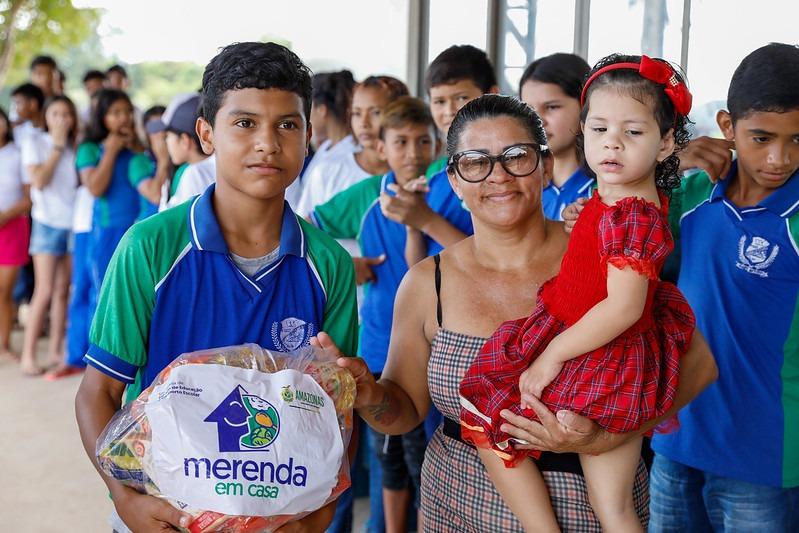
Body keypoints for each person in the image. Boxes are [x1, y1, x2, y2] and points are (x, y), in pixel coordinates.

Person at [318, 93, 717, 532]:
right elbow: (404, 413)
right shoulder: (425, 283)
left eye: (517, 157)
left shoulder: (601, 257)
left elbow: (700, 367)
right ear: (452, 180)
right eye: (476, 161)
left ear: (545, 167)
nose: (499, 176)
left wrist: (610, 436)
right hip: (456, 509)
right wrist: (370, 395)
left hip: (593, 513)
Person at [75, 41, 358, 533]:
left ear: (308, 136)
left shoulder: (328, 263)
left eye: (287, 125)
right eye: (244, 123)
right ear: (206, 134)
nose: (267, 142)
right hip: (167, 512)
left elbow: (336, 407)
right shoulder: (150, 248)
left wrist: (320, 513)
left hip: (279, 516)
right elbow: (98, 391)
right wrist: (126, 501)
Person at [459, 57, 696, 532]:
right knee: (613, 508)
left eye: (633, 132)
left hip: (599, 354)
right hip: (601, 346)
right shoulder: (614, 199)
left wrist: (550, 356)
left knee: (484, 412)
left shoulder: (632, 213)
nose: (612, 142)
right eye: (600, 128)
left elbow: (625, 305)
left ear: (666, 142)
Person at [645, 42, 799, 532]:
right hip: (675, 434)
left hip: (765, 457)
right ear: (728, 127)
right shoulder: (689, 194)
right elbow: (609, 230)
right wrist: (666, 166)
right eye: (762, 137)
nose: (780, 157)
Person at [312, 96, 472, 532]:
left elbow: (476, 259)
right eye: (400, 142)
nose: (413, 152)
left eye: (423, 141)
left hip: (442, 350)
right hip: (380, 347)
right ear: (381, 148)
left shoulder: (454, 191)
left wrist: (419, 220)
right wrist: (347, 264)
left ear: (437, 145)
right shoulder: (367, 195)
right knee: (388, 458)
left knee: (429, 457)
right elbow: (307, 225)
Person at [77, 88, 152, 328]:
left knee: (134, 296)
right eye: (115, 112)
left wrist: (134, 147)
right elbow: (95, 188)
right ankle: (95, 356)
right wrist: (110, 151)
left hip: (138, 230)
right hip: (107, 231)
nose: (124, 118)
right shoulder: (90, 148)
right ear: (102, 117)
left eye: (127, 112)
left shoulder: (137, 149)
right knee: (102, 293)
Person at [18, 95, 80, 376]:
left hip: (71, 223)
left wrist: (63, 144)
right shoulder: (37, 142)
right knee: (42, 291)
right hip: (46, 223)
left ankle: (56, 350)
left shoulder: (72, 146)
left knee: (61, 292)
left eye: (66, 114)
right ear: (46, 116)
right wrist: (56, 144)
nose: (62, 119)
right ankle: (28, 356)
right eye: (55, 113)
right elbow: (39, 182)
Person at [296, 75, 408, 218]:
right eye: (357, 113)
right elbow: (303, 229)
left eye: (375, 112)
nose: (363, 123)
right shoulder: (328, 171)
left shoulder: (412, 174)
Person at [519, 53, 594, 221]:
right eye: (528, 109)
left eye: (552, 107)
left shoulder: (608, 189)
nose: (537, 121)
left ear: (586, 106)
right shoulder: (521, 189)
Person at [286, 70, 356, 210]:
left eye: (309, 110)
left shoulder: (346, 159)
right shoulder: (326, 148)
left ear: (321, 110)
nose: (307, 116)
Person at [425, 44, 498, 175]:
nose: (449, 111)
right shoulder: (435, 173)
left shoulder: (513, 162)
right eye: (439, 101)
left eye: (461, 98)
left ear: (492, 95)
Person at [0, 107, 31, 360]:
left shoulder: (17, 154)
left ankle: (4, 344)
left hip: (12, 228)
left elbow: (28, 199)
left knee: (5, 290)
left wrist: (5, 216)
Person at [146, 94, 207, 211]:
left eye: (167, 136)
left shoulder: (193, 174)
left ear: (184, 141)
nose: (166, 142)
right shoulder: (183, 170)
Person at [10, 83, 45, 148]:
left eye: (18, 103)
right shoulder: (18, 131)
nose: (16, 109)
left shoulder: (50, 130)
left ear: (33, 104)